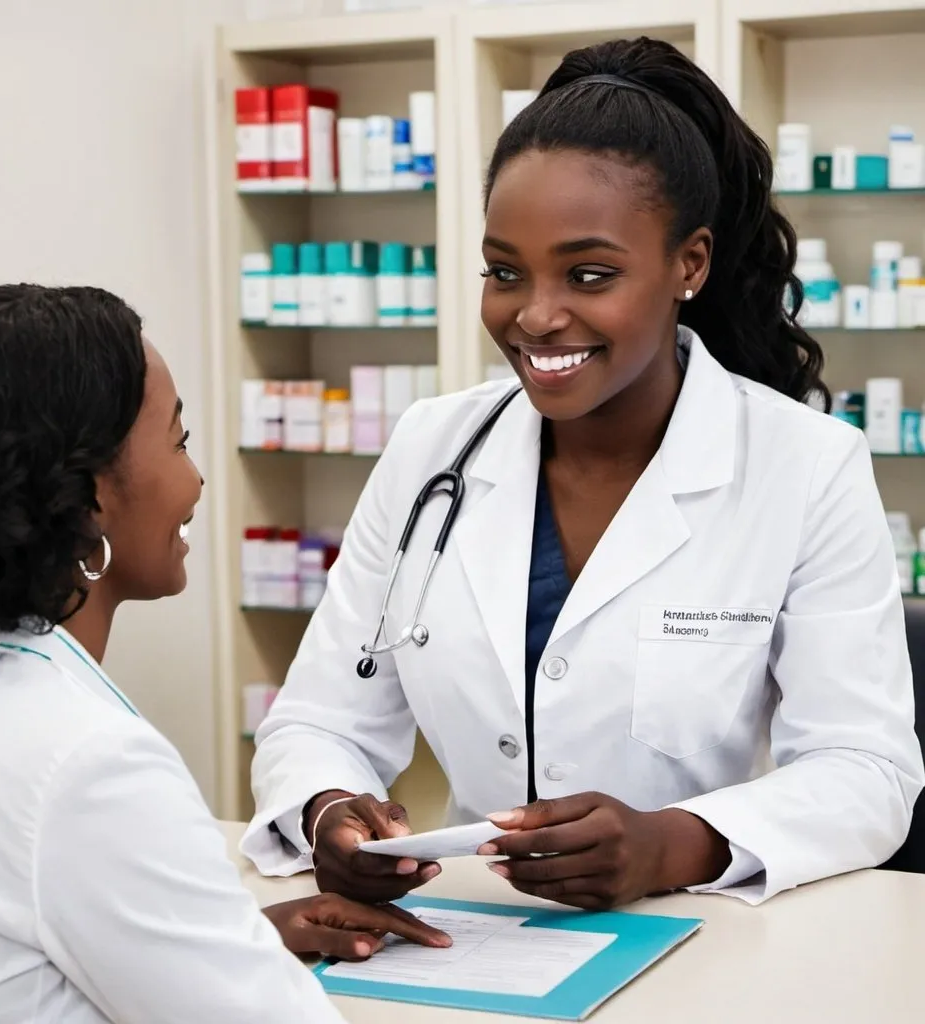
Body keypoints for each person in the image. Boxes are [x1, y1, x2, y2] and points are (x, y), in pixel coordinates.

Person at [243, 37, 924, 910]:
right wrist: (328, 811)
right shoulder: (431, 446)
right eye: (503, 272)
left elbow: (867, 771)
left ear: (690, 264)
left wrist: (672, 843)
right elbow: (320, 720)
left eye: (589, 274)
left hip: (707, 934)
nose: (535, 315)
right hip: (467, 931)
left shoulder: (807, 465)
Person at [0, 285, 450, 1024]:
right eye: (179, 441)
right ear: (90, 496)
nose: (194, 483)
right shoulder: (86, 767)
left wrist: (230, 941)